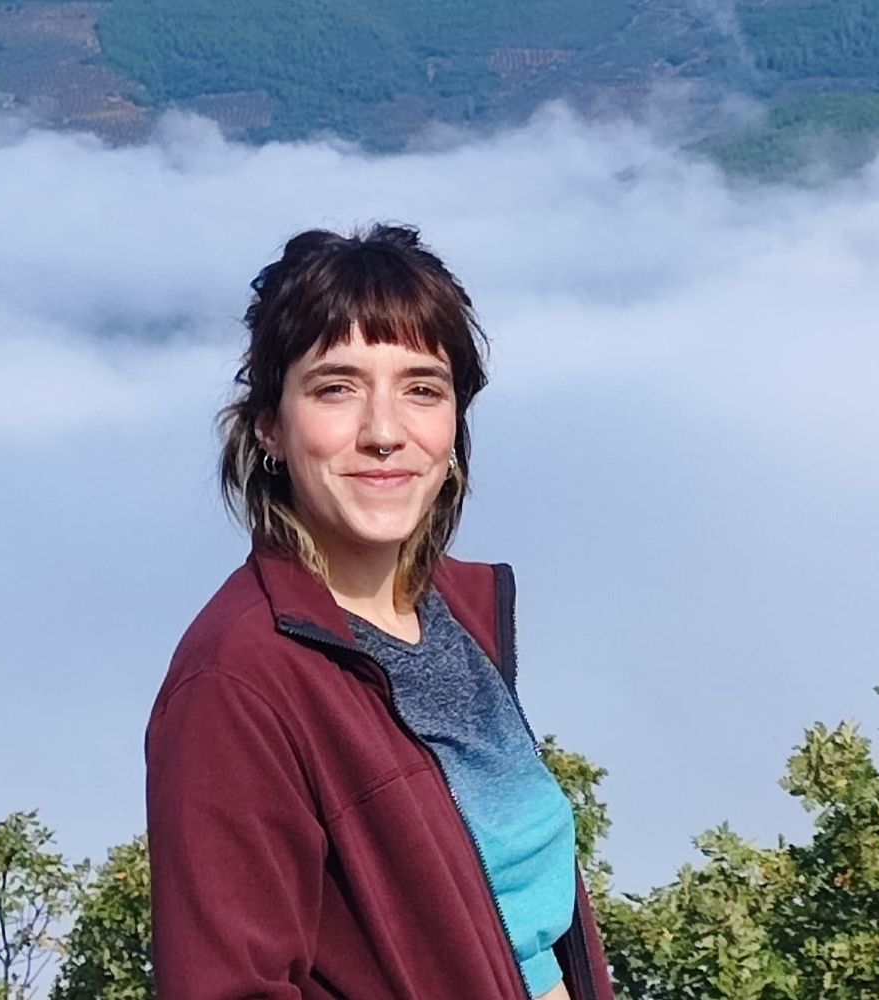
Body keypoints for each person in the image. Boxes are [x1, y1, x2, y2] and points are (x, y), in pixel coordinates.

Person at [145, 224, 615, 1000]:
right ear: (270, 426)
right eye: (336, 388)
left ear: (454, 426)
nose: (385, 432)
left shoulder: (457, 618)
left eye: (422, 389)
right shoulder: (238, 682)